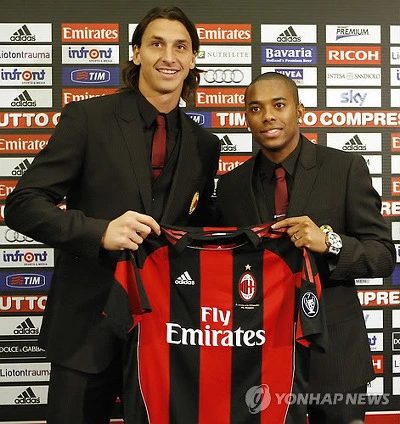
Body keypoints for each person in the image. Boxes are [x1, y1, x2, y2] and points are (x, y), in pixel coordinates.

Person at [4, 6, 220, 424]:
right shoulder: (88, 119)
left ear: (193, 59)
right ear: (136, 52)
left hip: (167, 334)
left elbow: (202, 230)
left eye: (181, 47)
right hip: (86, 328)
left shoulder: (205, 144)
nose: (169, 57)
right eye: (156, 44)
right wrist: (100, 232)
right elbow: (23, 204)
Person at [216, 72, 395, 424]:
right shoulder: (231, 186)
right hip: (259, 360)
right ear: (246, 118)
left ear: (299, 110)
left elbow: (383, 256)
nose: (268, 116)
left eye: (279, 105)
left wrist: (329, 243)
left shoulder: (344, 168)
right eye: (256, 108)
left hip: (335, 358)